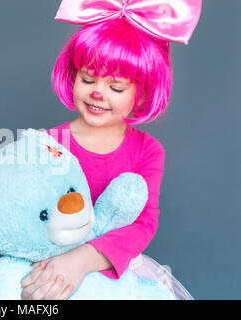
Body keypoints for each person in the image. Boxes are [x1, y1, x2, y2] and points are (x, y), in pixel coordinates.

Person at [20, 0, 202, 300]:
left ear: (141, 93)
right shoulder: (48, 144)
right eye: (87, 78)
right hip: (49, 269)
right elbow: (28, 213)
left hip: (115, 273)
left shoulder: (148, 150)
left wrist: (81, 261)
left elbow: (143, 224)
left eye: (115, 87)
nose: (97, 93)